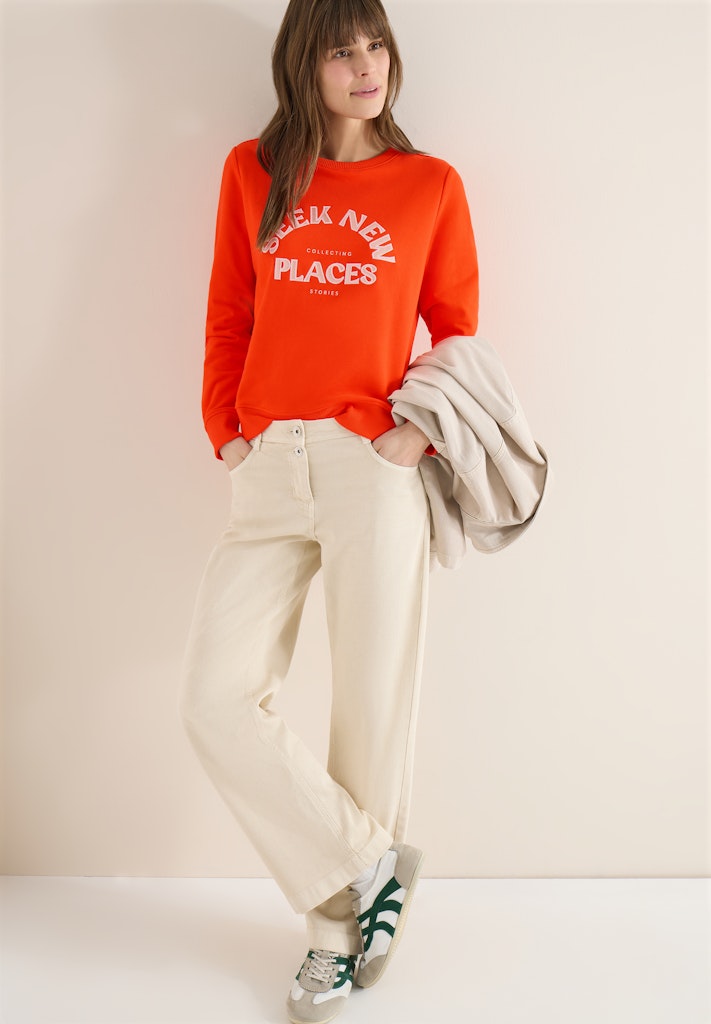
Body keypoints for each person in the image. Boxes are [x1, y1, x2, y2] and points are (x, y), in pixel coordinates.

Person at [179, 1, 479, 1020]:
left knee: (370, 702)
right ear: (302, 66)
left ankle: (330, 939)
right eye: (341, 50)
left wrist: (414, 438)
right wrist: (227, 430)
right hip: (269, 461)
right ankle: (367, 865)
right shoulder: (253, 172)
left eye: (374, 44)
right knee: (215, 698)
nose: (364, 66)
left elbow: (456, 332)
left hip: (372, 462)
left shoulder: (429, 186)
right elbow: (229, 312)